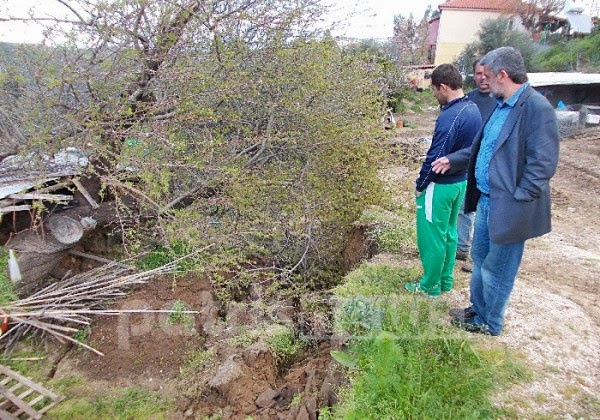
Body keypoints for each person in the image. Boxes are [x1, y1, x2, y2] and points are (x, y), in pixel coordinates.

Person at [431, 47, 559, 335]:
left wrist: (518, 200)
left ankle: (490, 322)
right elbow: (483, 149)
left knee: (498, 269)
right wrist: (454, 159)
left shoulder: (536, 108)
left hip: (509, 206)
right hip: (488, 201)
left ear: (503, 75)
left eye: (488, 76)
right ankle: (477, 310)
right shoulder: (501, 106)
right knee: (480, 262)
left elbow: (544, 163)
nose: (484, 81)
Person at [405, 63, 482, 297]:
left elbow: (435, 155)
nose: (434, 95)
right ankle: (445, 281)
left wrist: (420, 185)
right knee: (449, 233)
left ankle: (429, 286)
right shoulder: (473, 108)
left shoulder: (451, 116)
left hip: (440, 185)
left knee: (432, 236)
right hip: (460, 183)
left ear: (444, 87)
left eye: (435, 90)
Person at [456, 59, 498, 271]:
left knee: (487, 211)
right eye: (478, 73)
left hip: (493, 165)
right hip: (469, 162)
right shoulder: (468, 100)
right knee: (466, 206)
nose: (482, 77)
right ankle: (462, 247)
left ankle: (480, 258)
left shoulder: (502, 100)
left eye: (486, 73)